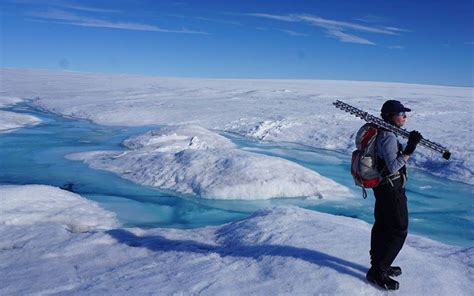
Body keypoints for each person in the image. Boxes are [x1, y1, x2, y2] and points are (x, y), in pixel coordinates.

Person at [366, 100, 422, 290]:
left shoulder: (381, 131)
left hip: (382, 187)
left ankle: (379, 265)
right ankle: (378, 271)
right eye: (401, 113)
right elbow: (393, 166)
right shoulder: (388, 136)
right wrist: (409, 149)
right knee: (399, 229)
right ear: (390, 116)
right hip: (391, 188)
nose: (404, 117)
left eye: (405, 114)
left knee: (382, 225)